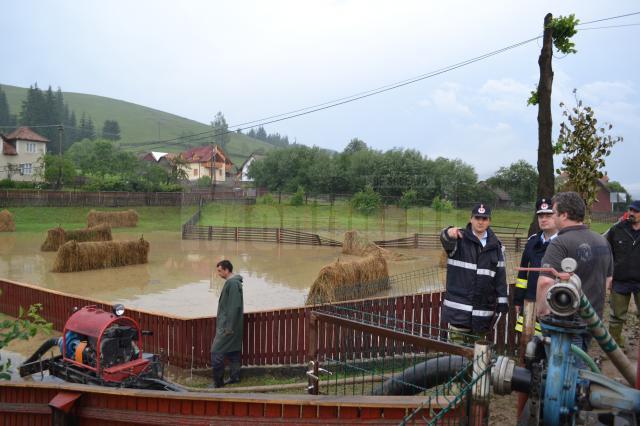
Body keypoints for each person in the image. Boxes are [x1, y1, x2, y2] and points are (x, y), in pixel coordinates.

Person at [536, 192, 613, 352]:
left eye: (555, 213)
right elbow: (608, 281)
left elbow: (545, 282)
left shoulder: (559, 243)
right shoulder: (602, 241)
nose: (553, 217)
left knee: (565, 373)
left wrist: (542, 314)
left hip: (565, 324)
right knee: (580, 365)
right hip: (593, 321)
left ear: (564, 215)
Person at [440, 203, 508, 344]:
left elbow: (500, 278)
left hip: (482, 313)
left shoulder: (497, 246)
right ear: (471, 219)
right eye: (477, 217)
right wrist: (447, 231)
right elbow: (444, 239)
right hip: (458, 312)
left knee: (478, 356)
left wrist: (502, 302)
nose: (480, 221)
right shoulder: (458, 239)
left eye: (484, 218)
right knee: (456, 356)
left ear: (489, 221)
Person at [514, 197, 558, 333]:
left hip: (552, 304)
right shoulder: (532, 242)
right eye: (540, 215)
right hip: (529, 301)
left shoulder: (564, 243)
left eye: (548, 215)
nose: (543, 219)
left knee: (547, 344)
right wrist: (518, 299)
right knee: (527, 343)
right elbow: (522, 275)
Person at [605, 200, 640, 349]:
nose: (632, 213)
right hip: (620, 280)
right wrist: (608, 273)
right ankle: (615, 348)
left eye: (636, 211)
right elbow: (603, 246)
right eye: (630, 210)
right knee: (616, 317)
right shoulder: (617, 229)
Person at [210, 260, 244, 388]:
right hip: (233, 326)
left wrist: (228, 327)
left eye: (219, 270)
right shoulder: (233, 283)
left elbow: (234, 307)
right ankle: (235, 377)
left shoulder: (233, 284)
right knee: (233, 351)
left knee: (216, 351)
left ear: (226, 270)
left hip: (228, 327)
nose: (218, 273)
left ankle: (218, 382)